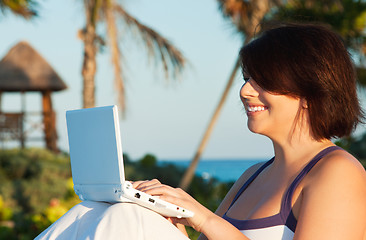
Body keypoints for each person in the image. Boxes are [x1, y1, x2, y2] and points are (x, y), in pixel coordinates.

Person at [36, 23, 366, 240]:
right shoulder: (253, 176)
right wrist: (167, 218)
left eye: (263, 81)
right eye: (248, 78)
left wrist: (201, 216)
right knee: (95, 210)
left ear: (310, 93)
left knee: (123, 219)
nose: (246, 91)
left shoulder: (337, 173)